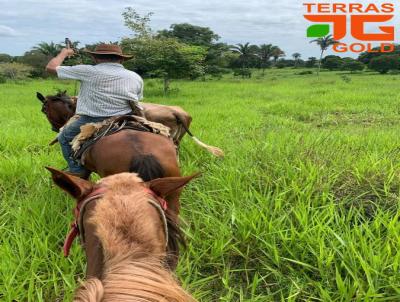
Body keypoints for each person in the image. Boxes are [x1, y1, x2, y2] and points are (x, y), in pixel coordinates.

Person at [45, 43, 144, 178]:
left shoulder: (88, 70)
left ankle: (76, 169)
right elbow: (135, 99)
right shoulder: (135, 76)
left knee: (64, 137)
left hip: (93, 119)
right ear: (121, 59)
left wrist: (64, 53)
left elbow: (51, 68)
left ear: (96, 58)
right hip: (126, 117)